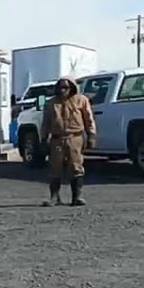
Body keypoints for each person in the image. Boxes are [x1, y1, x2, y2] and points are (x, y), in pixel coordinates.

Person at [38, 76, 96, 207]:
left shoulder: (81, 100)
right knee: (55, 168)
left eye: (66, 87)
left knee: (76, 167)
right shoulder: (51, 103)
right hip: (57, 139)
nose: (63, 90)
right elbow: (46, 122)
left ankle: (77, 197)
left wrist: (91, 136)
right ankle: (54, 197)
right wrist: (43, 139)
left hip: (75, 137)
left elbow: (88, 119)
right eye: (61, 87)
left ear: (72, 88)